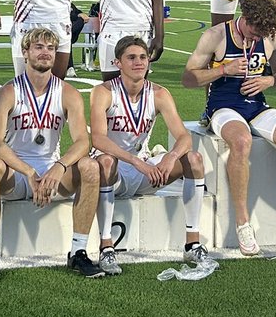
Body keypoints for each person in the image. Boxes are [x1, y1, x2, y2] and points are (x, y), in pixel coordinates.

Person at [182, 0, 276, 255]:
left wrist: (269, 81)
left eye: (261, 35)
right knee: (241, 140)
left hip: (257, 106)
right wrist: (223, 70)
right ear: (244, 18)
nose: (255, 39)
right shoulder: (216, 36)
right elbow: (188, 79)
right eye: (253, 32)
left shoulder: (269, 36)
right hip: (223, 107)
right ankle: (243, 223)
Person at [0, 27, 104, 284]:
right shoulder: (8, 91)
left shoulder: (68, 92)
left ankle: (78, 251)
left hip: (52, 171)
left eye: (51, 48)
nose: (45, 53)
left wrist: (59, 167)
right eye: (39, 47)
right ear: (25, 52)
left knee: (90, 167)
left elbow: (82, 142)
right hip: (18, 173)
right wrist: (29, 172)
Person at [90, 36, 210, 275]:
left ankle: (192, 243)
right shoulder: (103, 92)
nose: (138, 62)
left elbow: (184, 136)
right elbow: (99, 140)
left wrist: (171, 156)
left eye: (143, 57)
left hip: (144, 167)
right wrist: (136, 161)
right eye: (131, 58)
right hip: (113, 171)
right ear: (118, 63)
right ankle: (106, 246)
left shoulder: (159, 93)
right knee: (105, 161)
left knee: (194, 159)